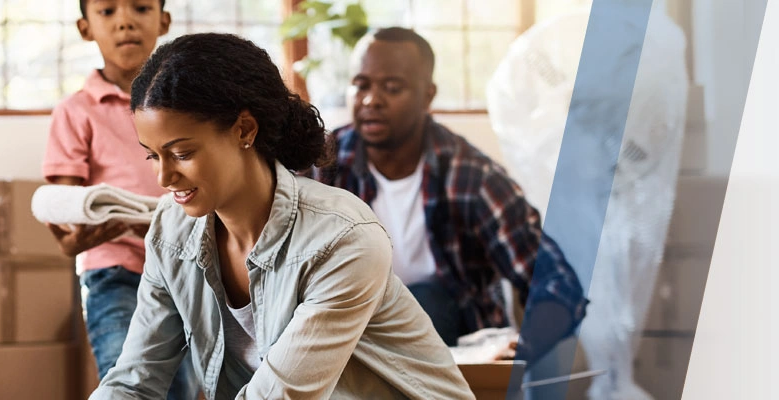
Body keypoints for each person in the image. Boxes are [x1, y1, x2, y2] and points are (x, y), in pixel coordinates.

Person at [91, 32, 475, 400]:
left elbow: (279, 396)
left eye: (183, 153)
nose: (163, 177)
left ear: (244, 129)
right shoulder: (171, 231)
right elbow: (134, 381)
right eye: (152, 155)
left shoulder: (341, 239)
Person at [314, 27, 588, 362]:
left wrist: (526, 346)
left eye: (392, 87)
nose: (371, 100)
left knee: (424, 300)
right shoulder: (323, 167)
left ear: (427, 96)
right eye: (361, 85)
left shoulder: (473, 176)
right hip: (350, 345)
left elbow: (558, 285)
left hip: (455, 352)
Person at [41, 0, 196, 397]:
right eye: (108, 11)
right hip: (116, 272)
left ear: (163, 21)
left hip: (189, 267)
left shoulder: (189, 105)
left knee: (186, 385)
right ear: (84, 27)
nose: (125, 21)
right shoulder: (76, 111)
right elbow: (64, 205)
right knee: (130, 378)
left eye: (140, 8)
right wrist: (77, 232)